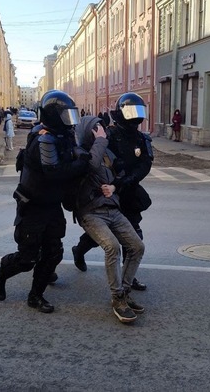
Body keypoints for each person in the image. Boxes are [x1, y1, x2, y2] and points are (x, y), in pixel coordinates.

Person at [0, 89, 88, 313]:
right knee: (27, 259)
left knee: (54, 252)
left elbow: (75, 151)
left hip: (52, 205)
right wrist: (81, 163)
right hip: (33, 207)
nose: (70, 122)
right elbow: (55, 171)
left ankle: (35, 296)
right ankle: (0, 273)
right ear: (54, 115)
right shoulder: (45, 139)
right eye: (66, 116)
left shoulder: (62, 135)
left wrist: (81, 155)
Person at [72, 93, 153, 292]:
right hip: (108, 192)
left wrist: (129, 180)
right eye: (131, 112)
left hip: (129, 190)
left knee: (133, 234)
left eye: (138, 112)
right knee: (99, 237)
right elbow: (96, 159)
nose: (135, 117)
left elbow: (145, 164)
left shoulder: (142, 138)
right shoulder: (109, 135)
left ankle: (128, 277)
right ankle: (79, 250)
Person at [73, 115, 145, 323]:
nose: (101, 131)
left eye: (102, 129)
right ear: (88, 131)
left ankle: (125, 292)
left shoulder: (105, 152)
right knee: (112, 247)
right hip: (90, 212)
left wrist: (114, 187)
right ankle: (117, 299)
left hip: (112, 208)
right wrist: (101, 141)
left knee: (137, 247)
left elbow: (118, 174)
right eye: (96, 129)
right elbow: (90, 165)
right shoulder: (79, 152)